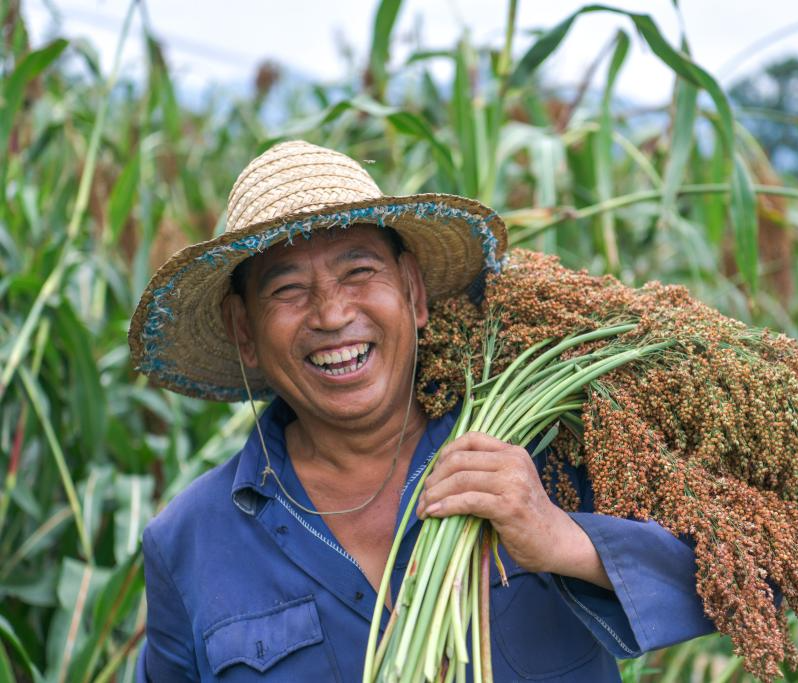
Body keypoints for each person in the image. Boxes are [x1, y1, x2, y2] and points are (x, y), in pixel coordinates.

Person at [129, 140, 726, 682]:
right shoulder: (187, 542)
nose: (333, 315)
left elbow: (757, 578)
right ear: (245, 332)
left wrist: (566, 539)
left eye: (359, 272)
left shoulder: (545, 449)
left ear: (413, 292)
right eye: (287, 290)